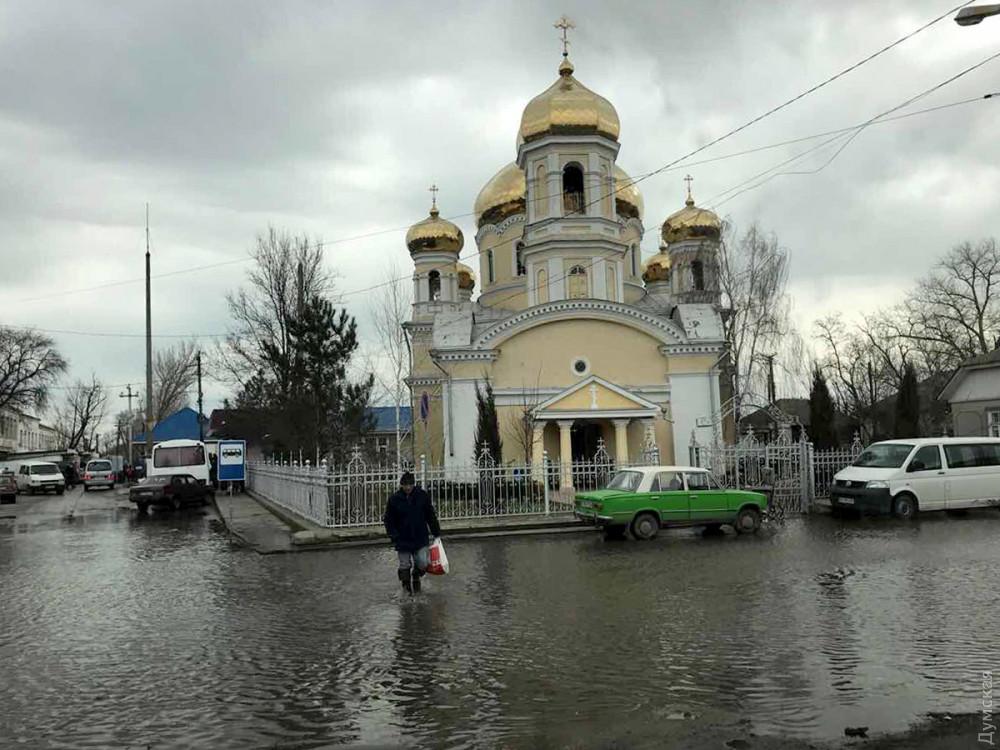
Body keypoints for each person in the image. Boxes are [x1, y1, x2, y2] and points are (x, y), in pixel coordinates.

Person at [383, 471, 441, 595]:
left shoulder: (422, 496)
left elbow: (430, 515)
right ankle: (406, 588)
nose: (408, 487)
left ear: (414, 484)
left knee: (423, 562)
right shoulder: (394, 499)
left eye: (410, 485)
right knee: (404, 565)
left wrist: (436, 532)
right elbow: (388, 519)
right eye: (405, 485)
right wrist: (393, 534)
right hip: (402, 538)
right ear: (401, 485)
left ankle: (416, 575)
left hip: (420, 537)